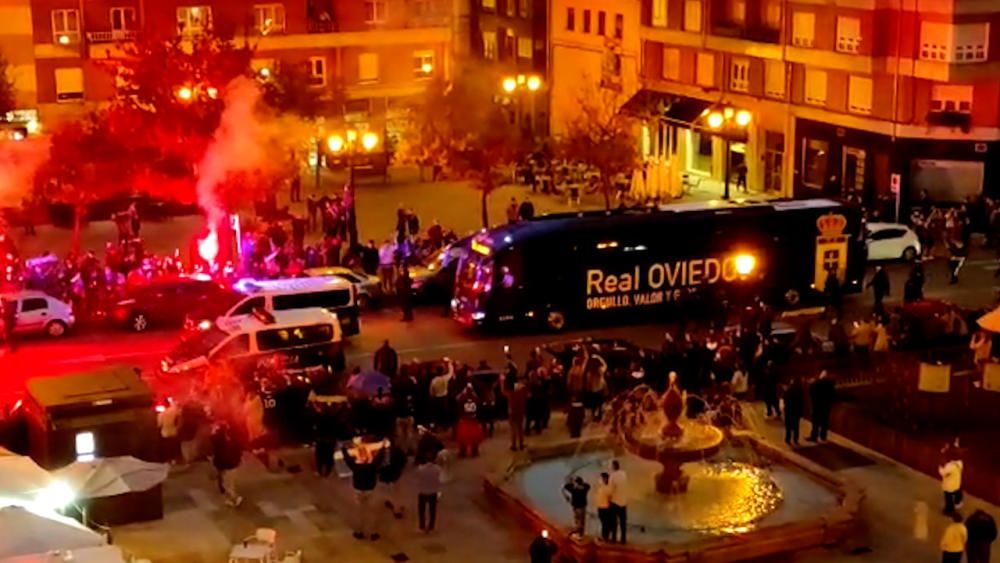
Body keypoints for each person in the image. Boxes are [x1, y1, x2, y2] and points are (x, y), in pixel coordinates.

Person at [342, 443, 386, 540]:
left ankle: (359, 532)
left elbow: (347, 460)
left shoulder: (355, 467)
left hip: (358, 490)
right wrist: (383, 447)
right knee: (372, 512)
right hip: (370, 490)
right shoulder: (372, 466)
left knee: (360, 512)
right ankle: (373, 533)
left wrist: (343, 449)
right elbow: (379, 458)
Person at [210, 422, 243, 507]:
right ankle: (230, 500)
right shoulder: (233, 439)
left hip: (226, 465)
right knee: (230, 483)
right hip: (233, 464)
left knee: (226, 484)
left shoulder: (218, 441)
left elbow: (214, 445)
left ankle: (235, 498)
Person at [378, 440, 407, 519]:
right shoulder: (397, 451)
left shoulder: (382, 453)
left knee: (392, 493)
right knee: (396, 492)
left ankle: (397, 510)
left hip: (388, 476)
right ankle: (396, 505)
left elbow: (378, 464)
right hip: (395, 475)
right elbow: (404, 460)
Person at [415, 454, 443, 533]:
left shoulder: (420, 469)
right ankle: (431, 526)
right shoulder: (437, 469)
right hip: (433, 492)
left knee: (421, 511)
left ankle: (422, 526)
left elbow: (417, 477)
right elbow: (440, 479)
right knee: (432, 511)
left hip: (423, 492)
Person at [808, 370, 836, 442]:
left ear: (822, 376)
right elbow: (833, 395)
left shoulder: (817, 383)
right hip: (826, 406)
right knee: (824, 422)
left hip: (817, 405)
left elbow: (811, 392)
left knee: (815, 422)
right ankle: (823, 436)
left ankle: (814, 436)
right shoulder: (831, 385)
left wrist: (811, 383)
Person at [609, 460, 628, 544]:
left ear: (613, 466)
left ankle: (613, 539)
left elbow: (611, 489)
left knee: (613, 521)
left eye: (611, 465)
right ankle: (623, 539)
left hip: (615, 501)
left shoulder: (612, 476)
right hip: (623, 501)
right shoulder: (624, 474)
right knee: (623, 522)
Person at [506, 376, 527, 451]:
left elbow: (509, 399)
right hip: (520, 410)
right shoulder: (523, 390)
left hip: (513, 410)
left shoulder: (512, 391)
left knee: (513, 429)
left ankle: (514, 445)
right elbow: (527, 397)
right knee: (520, 428)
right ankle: (521, 444)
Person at [783, 377, 804, 446]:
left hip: (789, 409)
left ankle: (787, 438)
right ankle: (795, 439)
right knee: (796, 425)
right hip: (796, 410)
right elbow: (801, 402)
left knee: (788, 425)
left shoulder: (789, 390)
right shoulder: (800, 391)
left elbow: (785, 399)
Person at [595, 472, 615, 542]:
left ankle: (605, 537)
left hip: (606, 508)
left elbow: (611, 497)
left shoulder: (609, 487)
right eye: (601, 478)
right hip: (600, 507)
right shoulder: (602, 486)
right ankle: (605, 536)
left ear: (606, 478)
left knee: (605, 523)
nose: (601, 479)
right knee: (604, 522)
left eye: (602, 478)